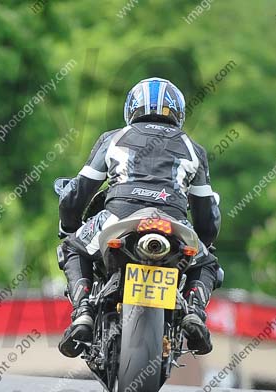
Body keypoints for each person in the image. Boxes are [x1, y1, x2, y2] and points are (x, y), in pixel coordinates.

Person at [57, 77, 222, 358]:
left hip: (118, 217)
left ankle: (83, 311)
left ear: (132, 108)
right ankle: (193, 312)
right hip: (174, 222)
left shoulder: (113, 138)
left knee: (72, 247)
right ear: (178, 112)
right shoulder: (194, 148)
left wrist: (69, 226)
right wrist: (203, 244)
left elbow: (78, 194)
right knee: (208, 263)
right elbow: (207, 217)